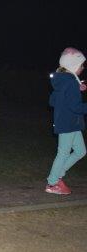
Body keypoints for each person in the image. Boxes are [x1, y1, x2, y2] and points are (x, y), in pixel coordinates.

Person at [45, 47, 87, 194]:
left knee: (81, 151)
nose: (83, 67)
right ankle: (52, 183)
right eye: (81, 65)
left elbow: (52, 101)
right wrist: (74, 91)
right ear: (73, 66)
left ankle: (58, 174)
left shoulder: (63, 81)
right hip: (68, 124)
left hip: (72, 123)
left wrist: (76, 89)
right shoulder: (70, 83)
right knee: (63, 153)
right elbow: (76, 107)